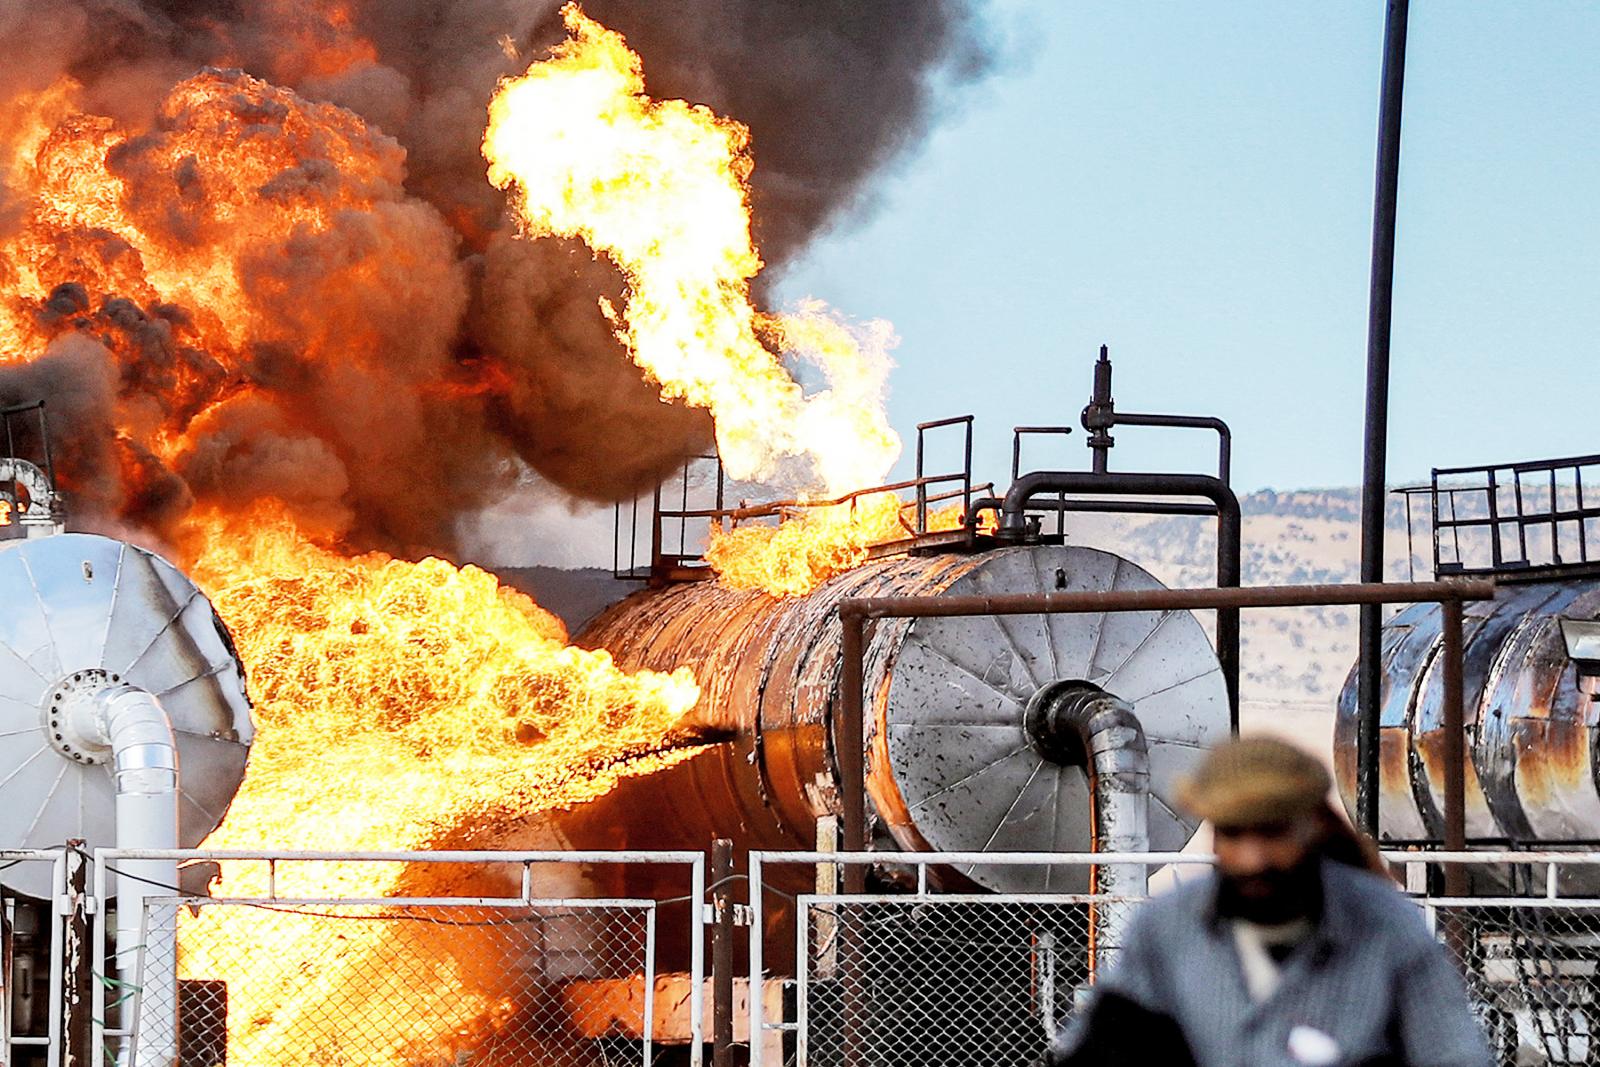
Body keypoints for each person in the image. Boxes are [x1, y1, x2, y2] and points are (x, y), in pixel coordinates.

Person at [1048, 736, 1492, 1067]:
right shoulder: (1166, 930)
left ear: (1310, 826)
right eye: (1234, 834)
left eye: (1273, 833)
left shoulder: (1387, 928)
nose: (1252, 859)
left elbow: (1451, 1054)